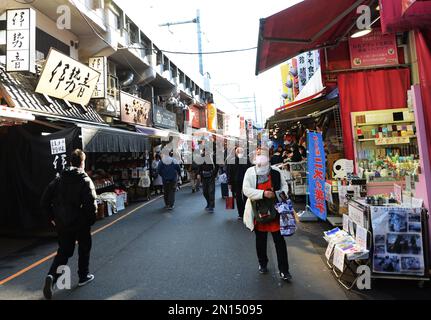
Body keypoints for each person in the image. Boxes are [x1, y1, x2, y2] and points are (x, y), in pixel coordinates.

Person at [40, 149, 97, 300]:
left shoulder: (59, 179)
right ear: (82, 163)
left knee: (64, 251)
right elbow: (91, 206)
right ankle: (83, 276)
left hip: (62, 223)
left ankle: (52, 276)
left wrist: (52, 217)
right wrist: (89, 221)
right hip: (80, 223)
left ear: (70, 162)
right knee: (84, 248)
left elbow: (44, 200)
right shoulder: (85, 180)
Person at [242, 147, 292, 281]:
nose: (260, 156)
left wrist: (277, 195)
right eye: (257, 154)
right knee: (260, 240)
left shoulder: (276, 171)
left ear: (268, 157)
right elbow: (246, 190)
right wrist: (263, 194)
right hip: (259, 212)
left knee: (279, 242)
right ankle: (262, 263)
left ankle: (284, 270)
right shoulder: (250, 172)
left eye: (262, 154)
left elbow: (284, 187)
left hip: (275, 212)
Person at [227, 146, 251, 220]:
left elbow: (250, 171)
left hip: (245, 181)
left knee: (246, 196)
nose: (239, 153)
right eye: (238, 152)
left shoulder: (246, 160)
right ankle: (241, 213)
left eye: (241, 152)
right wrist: (229, 183)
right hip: (236, 181)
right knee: (238, 197)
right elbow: (230, 173)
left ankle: (246, 212)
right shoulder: (233, 161)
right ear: (236, 153)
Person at [199, 148, 218, 213]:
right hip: (204, 176)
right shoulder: (201, 157)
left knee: (211, 191)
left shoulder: (213, 157)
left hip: (211, 176)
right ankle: (208, 203)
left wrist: (214, 174)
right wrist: (198, 174)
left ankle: (211, 206)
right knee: (205, 192)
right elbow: (199, 166)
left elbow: (217, 166)